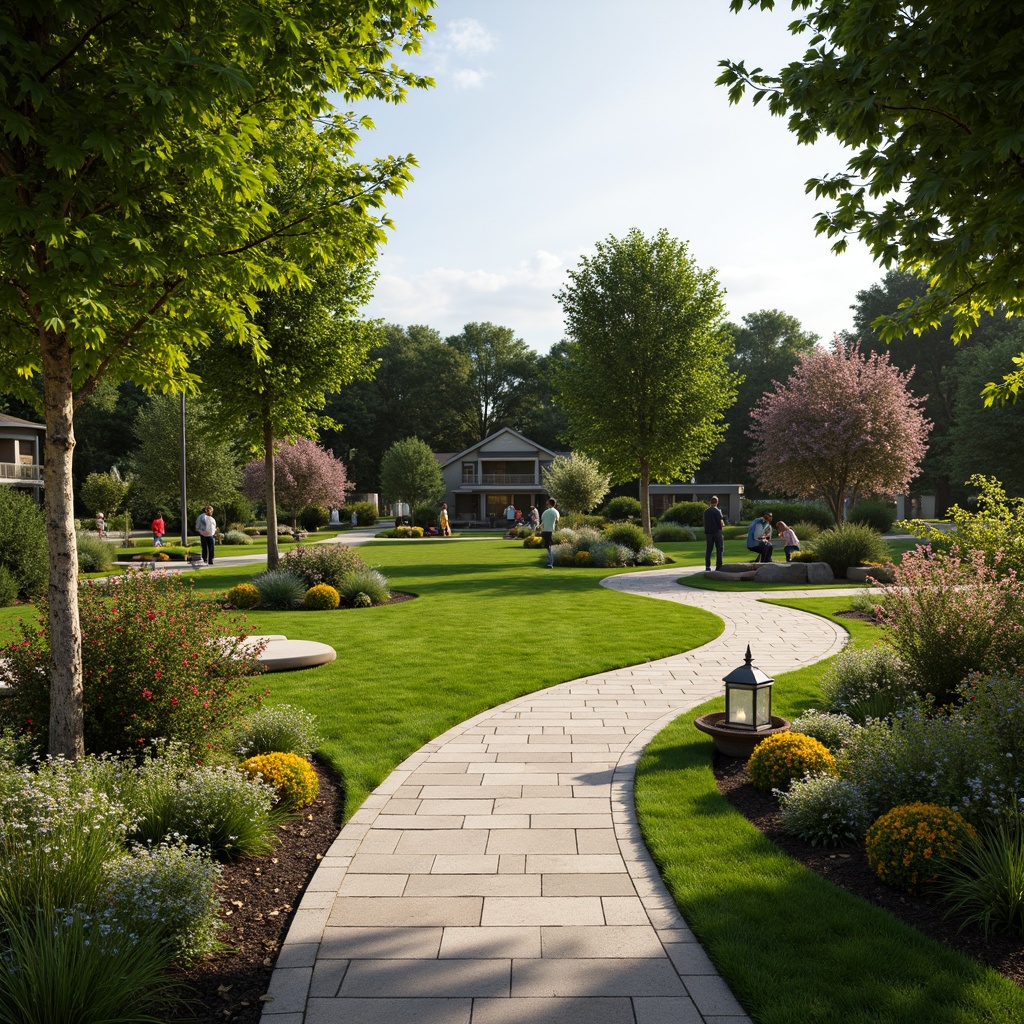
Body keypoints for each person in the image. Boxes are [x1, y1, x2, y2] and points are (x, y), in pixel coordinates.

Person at [703, 495, 725, 571]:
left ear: (710, 502)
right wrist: (723, 524)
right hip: (717, 532)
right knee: (719, 549)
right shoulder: (718, 511)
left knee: (709, 549)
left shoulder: (706, 512)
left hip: (708, 533)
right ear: (717, 502)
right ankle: (719, 566)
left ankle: (707, 566)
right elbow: (721, 523)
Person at [540, 497, 560, 568]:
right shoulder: (556, 512)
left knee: (548, 547)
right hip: (551, 531)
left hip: (545, 531)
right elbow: (557, 521)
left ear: (549, 503)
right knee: (549, 546)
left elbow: (543, 521)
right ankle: (550, 561)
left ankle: (550, 562)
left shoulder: (545, 512)